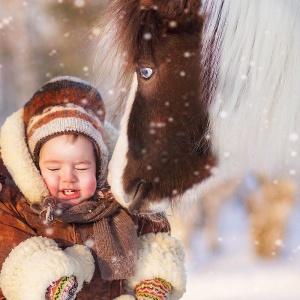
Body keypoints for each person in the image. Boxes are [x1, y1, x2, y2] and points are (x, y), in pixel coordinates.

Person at [0, 76, 186, 300]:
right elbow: (9, 247)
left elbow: (153, 237)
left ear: (100, 168)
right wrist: (46, 277)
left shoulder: (120, 208)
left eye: (80, 167)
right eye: (54, 168)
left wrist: (154, 279)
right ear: (36, 169)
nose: (68, 177)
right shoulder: (22, 210)